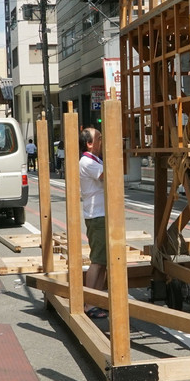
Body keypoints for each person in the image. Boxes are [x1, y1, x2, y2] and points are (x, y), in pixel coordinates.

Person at [79, 128, 108, 318]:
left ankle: (96, 300)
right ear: (89, 143)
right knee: (97, 261)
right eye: (99, 138)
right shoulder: (88, 162)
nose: (102, 141)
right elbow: (107, 176)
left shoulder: (95, 160)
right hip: (96, 215)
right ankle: (89, 303)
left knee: (103, 261)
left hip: (101, 214)